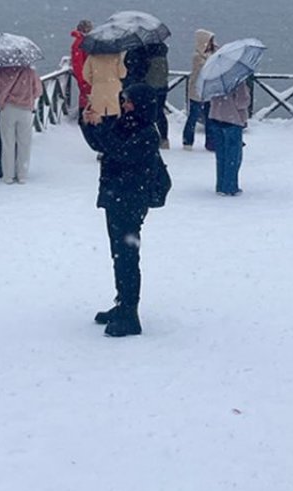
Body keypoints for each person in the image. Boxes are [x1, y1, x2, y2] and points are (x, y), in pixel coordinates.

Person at [84, 84, 164, 337]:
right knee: (118, 255)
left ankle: (130, 313)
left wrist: (101, 130)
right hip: (116, 196)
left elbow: (120, 152)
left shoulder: (147, 132)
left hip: (131, 199)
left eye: (129, 101)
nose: (125, 105)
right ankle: (122, 304)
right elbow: (101, 143)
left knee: (128, 256)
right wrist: (88, 123)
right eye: (124, 100)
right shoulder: (126, 122)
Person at [0, 64, 43, 184]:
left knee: (8, 143)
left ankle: (8, 175)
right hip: (25, 110)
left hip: (7, 109)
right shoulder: (30, 72)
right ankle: (22, 174)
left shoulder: (0, 72)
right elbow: (38, 91)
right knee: (24, 143)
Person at [207, 80, 250, 196]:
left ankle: (220, 185)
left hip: (216, 118)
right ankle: (230, 186)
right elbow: (242, 102)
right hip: (232, 119)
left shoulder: (214, 79)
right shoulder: (237, 80)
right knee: (233, 155)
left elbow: (209, 97)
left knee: (221, 154)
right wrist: (247, 95)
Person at [81, 51, 128, 153]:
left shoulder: (92, 56)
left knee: (99, 117)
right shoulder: (116, 55)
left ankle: (101, 146)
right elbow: (123, 74)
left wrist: (95, 81)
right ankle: (113, 144)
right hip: (114, 89)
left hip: (98, 90)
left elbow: (85, 74)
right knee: (114, 117)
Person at [182, 29, 216, 151]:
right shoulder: (197, 57)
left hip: (208, 92)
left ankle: (210, 142)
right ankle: (188, 141)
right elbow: (200, 72)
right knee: (193, 117)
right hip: (196, 92)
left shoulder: (213, 54)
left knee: (209, 118)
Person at [70, 20, 99, 152]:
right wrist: (84, 84)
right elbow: (78, 66)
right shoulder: (81, 44)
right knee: (88, 118)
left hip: (89, 85)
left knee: (88, 117)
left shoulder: (81, 43)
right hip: (88, 86)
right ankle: (99, 145)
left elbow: (78, 65)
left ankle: (98, 145)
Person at [141, 42, 171, 149]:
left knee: (148, 113)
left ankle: (151, 138)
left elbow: (144, 72)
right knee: (160, 113)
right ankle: (164, 138)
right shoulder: (163, 55)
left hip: (150, 87)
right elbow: (166, 72)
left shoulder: (147, 55)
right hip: (162, 87)